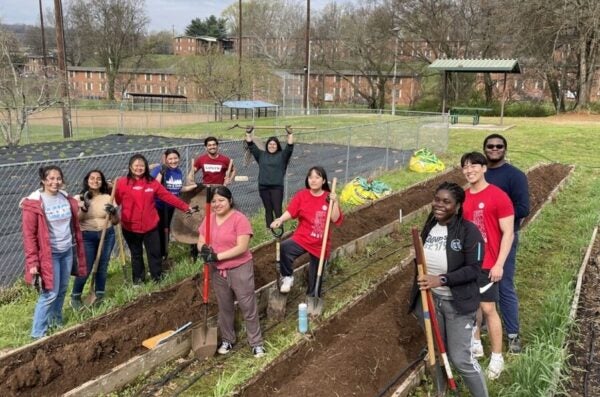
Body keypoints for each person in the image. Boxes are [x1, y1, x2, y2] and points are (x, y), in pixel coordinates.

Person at [409, 182, 488, 397]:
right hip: (432, 300)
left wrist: (441, 279)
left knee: (461, 358)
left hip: (457, 304)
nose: (439, 205)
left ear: (458, 206)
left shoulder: (468, 231)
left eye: (446, 201)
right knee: (438, 351)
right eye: (437, 199)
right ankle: (440, 392)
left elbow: (474, 269)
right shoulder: (430, 226)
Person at [461, 152, 514, 380]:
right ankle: (475, 343)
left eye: (474, 165)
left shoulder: (498, 196)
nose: (469, 170)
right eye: (465, 166)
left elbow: (508, 233)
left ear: (484, 168)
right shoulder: (462, 197)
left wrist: (500, 264)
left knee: (489, 309)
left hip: (489, 263)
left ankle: (497, 357)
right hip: (468, 264)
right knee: (472, 305)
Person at [197, 186, 266, 358]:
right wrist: (203, 250)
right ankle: (228, 339)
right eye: (213, 201)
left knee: (247, 305)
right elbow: (201, 240)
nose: (217, 204)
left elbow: (242, 247)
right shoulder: (209, 219)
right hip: (218, 271)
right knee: (224, 306)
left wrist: (217, 255)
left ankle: (256, 343)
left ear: (230, 201)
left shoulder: (239, 219)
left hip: (239, 268)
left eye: (221, 200)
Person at [21, 165, 87, 339]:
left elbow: (74, 213)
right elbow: (29, 236)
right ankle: (37, 333)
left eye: (58, 178)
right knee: (50, 293)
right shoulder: (34, 203)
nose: (55, 182)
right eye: (51, 178)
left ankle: (56, 322)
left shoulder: (65, 198)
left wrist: (81, 203)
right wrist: (32, 262)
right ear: (43, 180)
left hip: (67, 251)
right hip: (49, 255)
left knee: (63, 289)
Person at [115, 154, 194, 284]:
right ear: (130, 167)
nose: (139, 168)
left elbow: (167, 196)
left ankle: (157, 277)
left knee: (155, 253)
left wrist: (185, 207)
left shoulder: (151, 183)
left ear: (146, 167)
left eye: (141, 166)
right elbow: (116, 201)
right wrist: (110, 208)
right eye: (136, 166)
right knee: (136, 254)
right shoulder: (122, 183)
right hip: (130, 227)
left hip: (150, 226)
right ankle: (139, 280)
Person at [483, 134, 529, 354]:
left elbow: (523, 208)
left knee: (504, 285)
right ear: (484, 149)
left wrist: (498, 217)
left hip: (504, 238)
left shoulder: (515, 176)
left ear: (505, 149)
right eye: (490, 146)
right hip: (481, 240)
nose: (494, 149)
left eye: (498, 146)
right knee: (480, 283)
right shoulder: (479, 173)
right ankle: (484, 325)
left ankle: (512, 335)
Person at [270, 166, 343, 295]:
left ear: (324, 180)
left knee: (315, 277)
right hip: (302, 237)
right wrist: (280, 220)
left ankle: (312, 299)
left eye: (317, 177)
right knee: (285, 248)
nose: (313, 180)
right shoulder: (302, 195)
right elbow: (291, 211)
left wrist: (335, 202)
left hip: (320, 243)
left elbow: (335, 218)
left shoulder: (328, 198)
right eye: (310, 177)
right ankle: (288, 277)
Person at [70, 170, 120, 310]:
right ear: (87, 180)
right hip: (88, 236)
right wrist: (84, 209)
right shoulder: (79, 198)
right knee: (85, 269)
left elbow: (116, 222)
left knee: (102, 266)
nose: (95, 181)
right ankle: (75, 297)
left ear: (102, 181)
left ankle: (99, 295)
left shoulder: (108, 197)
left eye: (98, 178)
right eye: (92, 178)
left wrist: (114, 212)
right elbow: (76, 221)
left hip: (107, 234)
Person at [190, 137, 235, 260]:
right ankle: (198, 247)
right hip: (206, 192)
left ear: (217, 146)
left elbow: (233, 170)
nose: (212, 147)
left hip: (220, 192)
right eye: (209, 145)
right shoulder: (202, 159)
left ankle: (220, 244)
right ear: (206, 147)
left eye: (214, 145)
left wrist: (230, 178)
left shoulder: (225, 160)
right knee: (204, 219)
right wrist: (190, 177)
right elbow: (192, 172)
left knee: (221, 218)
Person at [150, 149, 197, 262]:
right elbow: (153, 186)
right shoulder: (158, 169)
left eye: (175, 158)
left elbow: (177, 189)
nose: (173, 161)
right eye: (170, 159)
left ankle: (164, 255)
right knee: (159, 233)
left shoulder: (178, 172)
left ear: (179, 159)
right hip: (159, 207)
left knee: (167, 232)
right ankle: (158, 257)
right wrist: (161, 172)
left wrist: (192, 187)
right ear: (165, 159)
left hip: (171, 207)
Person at [244, 126, 294, 229]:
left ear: (277, 146)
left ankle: (279, 231)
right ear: (267, 145)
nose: (272, 146)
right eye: (270, 144)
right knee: (268, 209)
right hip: (263, 187)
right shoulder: (261, 155)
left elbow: (289, 146)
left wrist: (290, 134)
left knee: (277, 209)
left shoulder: (282, 156)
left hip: (276, 187)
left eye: (274, 144)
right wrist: (248, 133)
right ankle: (269, 229)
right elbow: (250, 145)